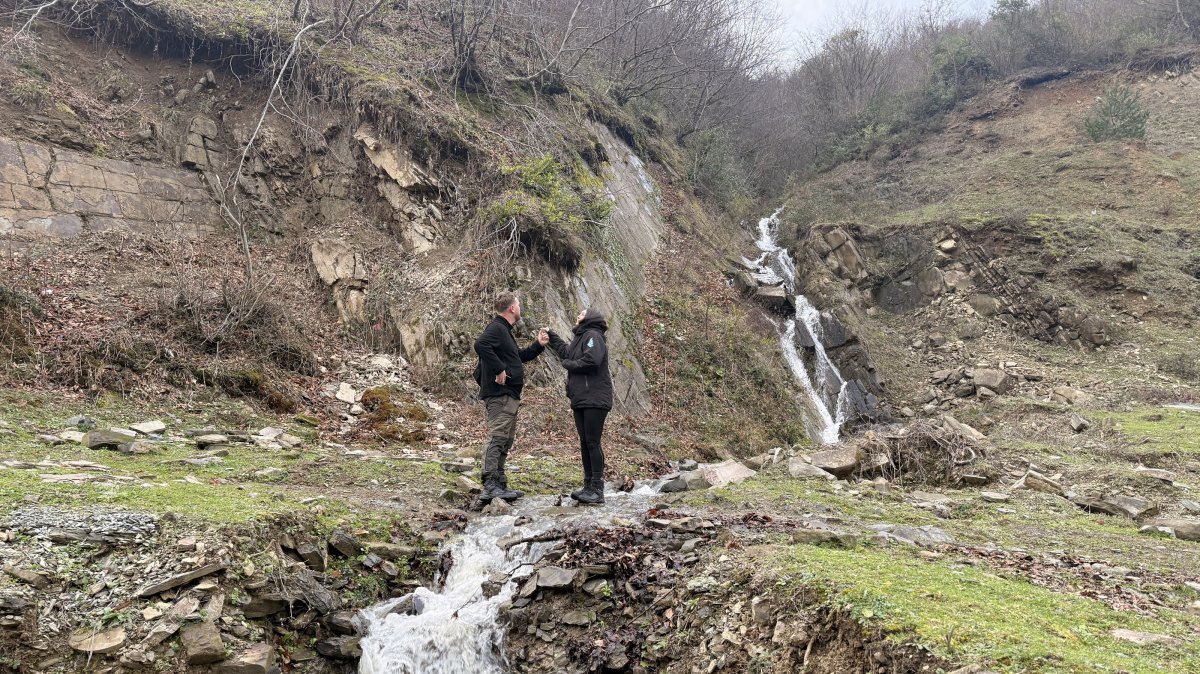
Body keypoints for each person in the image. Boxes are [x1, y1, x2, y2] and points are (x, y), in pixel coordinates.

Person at [473, 291, 549, 503]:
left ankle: (500, 483)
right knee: (498, 437)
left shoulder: (504, 331)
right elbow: (480, 345)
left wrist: (538, 346)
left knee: (506, 439)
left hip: (510, 395)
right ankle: (490, 484)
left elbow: (518, 358)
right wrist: (498, 369)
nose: (520, 307)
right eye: (519, 304)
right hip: (499, 394)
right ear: (512, 308)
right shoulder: (497, 328)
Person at [547, 307, 613, 505]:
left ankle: (597, 489)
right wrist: (552, 336)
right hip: (581, 398)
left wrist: (569, 365)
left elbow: (592, 360)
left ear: (590, 317)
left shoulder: (593, 335)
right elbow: (566, 352)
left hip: (595, 397)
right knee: (585, 442)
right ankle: (587, 485)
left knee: (592, 442)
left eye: (582, 313)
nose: (578, 315)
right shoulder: (580, 338)